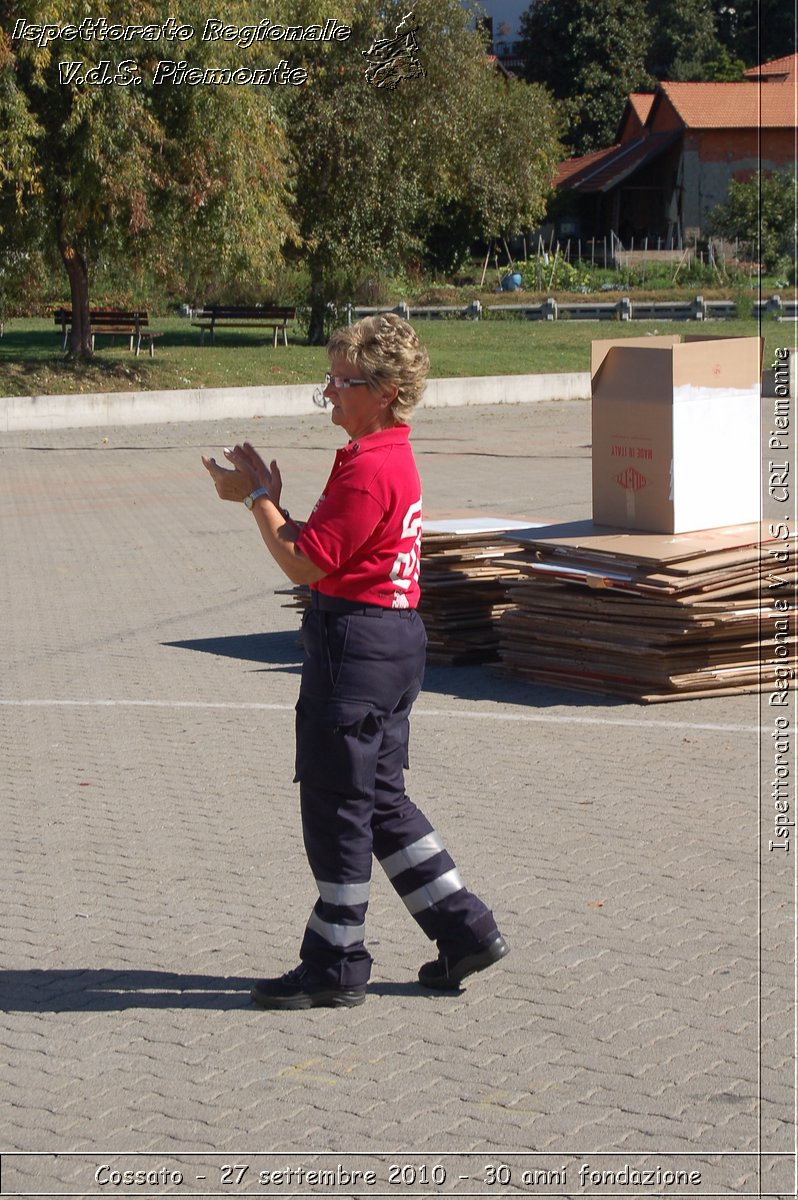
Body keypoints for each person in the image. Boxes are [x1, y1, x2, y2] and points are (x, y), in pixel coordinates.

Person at [202, 313, 508, 1010]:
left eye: (344, 381)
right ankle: (465, 928)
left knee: (338, 804)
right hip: (393, 640)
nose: (330, 393)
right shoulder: (381, 456)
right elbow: (333, 545)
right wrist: (274, 503)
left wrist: (256, 501)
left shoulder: (371, 466)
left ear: (387, 389)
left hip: (357, 648)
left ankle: (337, 960)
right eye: (331, 380)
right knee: (380, 801)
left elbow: (306, 563)